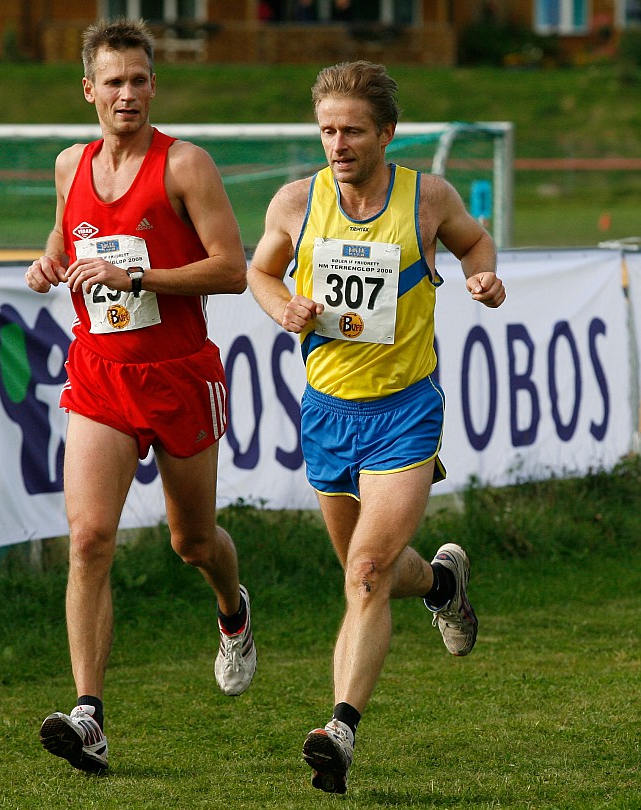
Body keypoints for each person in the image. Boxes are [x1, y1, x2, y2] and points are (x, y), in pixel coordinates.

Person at [246, 60, 505, 794]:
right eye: (327, 130)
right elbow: (259, 272)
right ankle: (442, 584)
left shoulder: (428, 198)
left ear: (387, 133)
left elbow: (475, 243)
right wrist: (284, 307)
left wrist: (484, 277)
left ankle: (339, 730)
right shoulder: (296, 203)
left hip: (404, 411)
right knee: (372, 575)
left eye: (353, 131)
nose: (338, 144)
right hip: (328, 412)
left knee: (364, 572)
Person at [24, 18, 256, 774]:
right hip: (100, 374)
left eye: (138, 80)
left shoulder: (185, 165)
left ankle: (232, 611)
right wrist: (47, 263)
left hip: (181, 375)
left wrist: (138, 276)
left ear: (154, 86)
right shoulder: (70, 165)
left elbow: (232, 270)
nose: (126, 93)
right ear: (88, 90)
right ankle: (88, 715)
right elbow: (67, 240)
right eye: (112, 81)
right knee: (90, 538)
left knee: (194, 543)